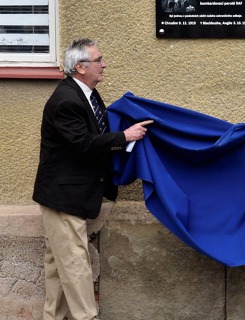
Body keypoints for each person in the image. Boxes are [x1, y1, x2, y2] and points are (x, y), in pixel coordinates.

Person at [32, 38, 153, 320]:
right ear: (80, 67)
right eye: (98, 60)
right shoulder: (66, 100)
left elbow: (98, 130)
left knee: (57, 264)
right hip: (63, 197)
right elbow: (83, 143)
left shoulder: (87, 95)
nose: (104, 64)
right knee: (75, 265)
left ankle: (53, 316)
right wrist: (125, 137)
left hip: (70, 194)